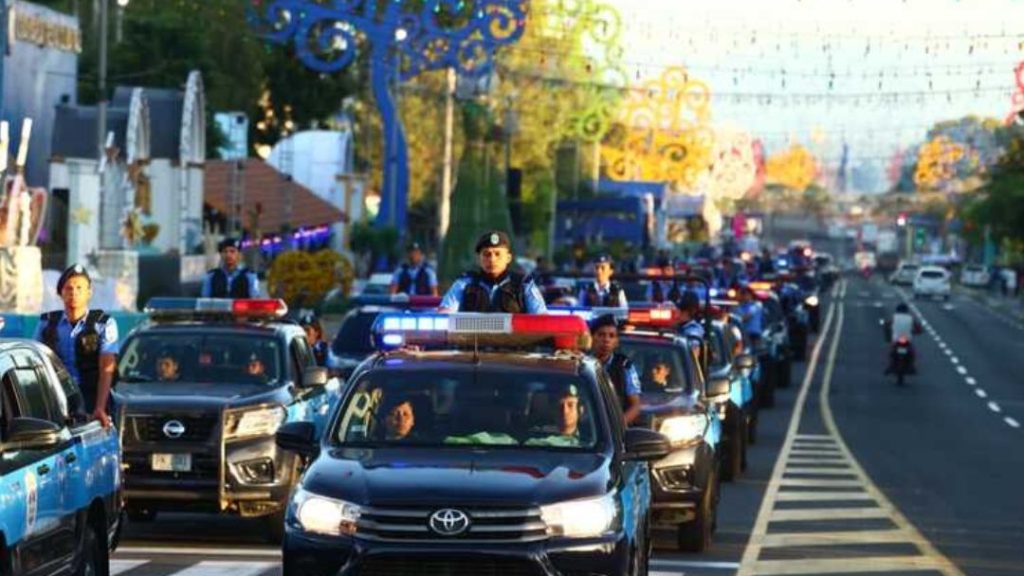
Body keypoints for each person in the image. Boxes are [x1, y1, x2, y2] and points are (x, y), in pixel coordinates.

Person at [34, 264, 119, 427]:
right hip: (56, 396)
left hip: (92, 396)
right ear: (61, 293)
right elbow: (35, 361)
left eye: (80, 288)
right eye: (69, 288)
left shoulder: (104, 324)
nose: (74, 293)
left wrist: (100, 408)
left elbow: (106, 368)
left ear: (89, 292)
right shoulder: (47, 323)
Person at [440, 231, 547, 313]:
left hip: (514, 342)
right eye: (487, 254)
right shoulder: (464, 283)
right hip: (472, 341)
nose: (492, 259)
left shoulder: (524, 284)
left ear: (508, 258)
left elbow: (541, 318)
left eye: (497, 254)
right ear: (478, 259)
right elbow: (444, 315)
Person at [590, 314, 641, 425]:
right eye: (601, 335)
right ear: (592, 337)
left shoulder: (624, 366)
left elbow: (635, 405)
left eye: (611, 336)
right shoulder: (581, 364)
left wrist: (617, 427)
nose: (606, 340)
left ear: (617, 342)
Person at [885, 303, 917, 374]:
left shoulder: (894, 317)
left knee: (892, 352)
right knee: (912, 352)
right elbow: (917, 327)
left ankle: (891, 365)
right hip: (907, 339)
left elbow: (887, 325)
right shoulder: (910, 318)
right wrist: (916, 331)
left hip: (896, 338)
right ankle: (911, 366)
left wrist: (888, 334)